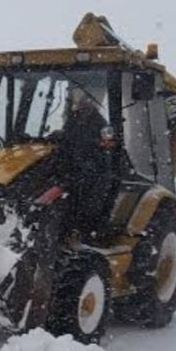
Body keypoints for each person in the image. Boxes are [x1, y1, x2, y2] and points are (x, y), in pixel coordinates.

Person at [60, 88, 120, 239]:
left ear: (91, 103)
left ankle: (88, 228)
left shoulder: (101, 124)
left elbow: (107, 146)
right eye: (77, 101)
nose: (79, 105)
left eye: (83, 102)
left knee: (89, 186)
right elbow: (66, 136)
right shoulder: (72, 120)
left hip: (94, 166)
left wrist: (90, 147)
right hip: (71, 163)